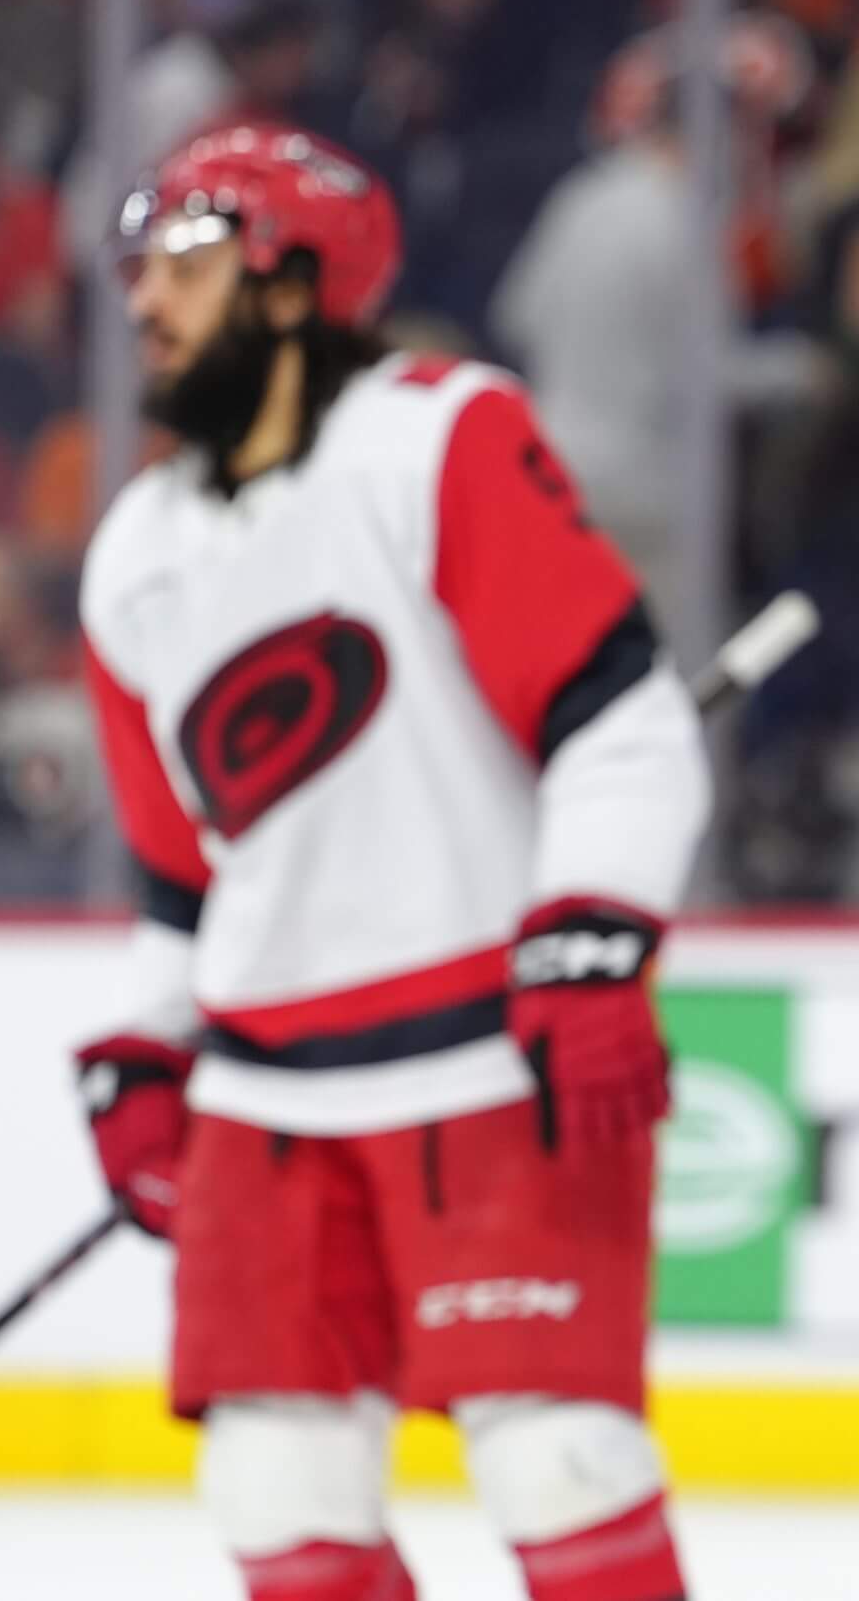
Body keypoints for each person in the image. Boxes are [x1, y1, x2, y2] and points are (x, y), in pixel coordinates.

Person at [70, 124, 709, 1601]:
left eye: (184, 261)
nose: (143, 303)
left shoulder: (434, 433)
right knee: (273, 1491)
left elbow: (618, 714)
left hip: (492, 1058)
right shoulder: (133, 556)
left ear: (294, 283)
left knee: (558, 1462)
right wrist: (139, 1045)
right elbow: (185, 882)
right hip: (262, 1093)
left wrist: (594, 932)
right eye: (136, 272)